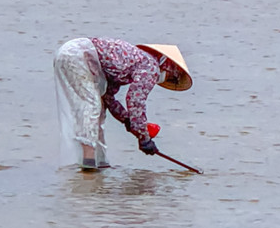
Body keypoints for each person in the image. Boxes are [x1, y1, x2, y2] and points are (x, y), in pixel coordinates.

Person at [53, 37, 192, 169]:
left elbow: (108, 98)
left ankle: (98, 161)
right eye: (172, 78)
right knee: (91, 105)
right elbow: (135, 101)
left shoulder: (135, 61)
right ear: (168, 68)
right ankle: (88, 160)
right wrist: (144, 138)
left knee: (98, 107)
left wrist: (127, 120)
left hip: (70, 51)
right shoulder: (151, 67)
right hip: (78, 55)